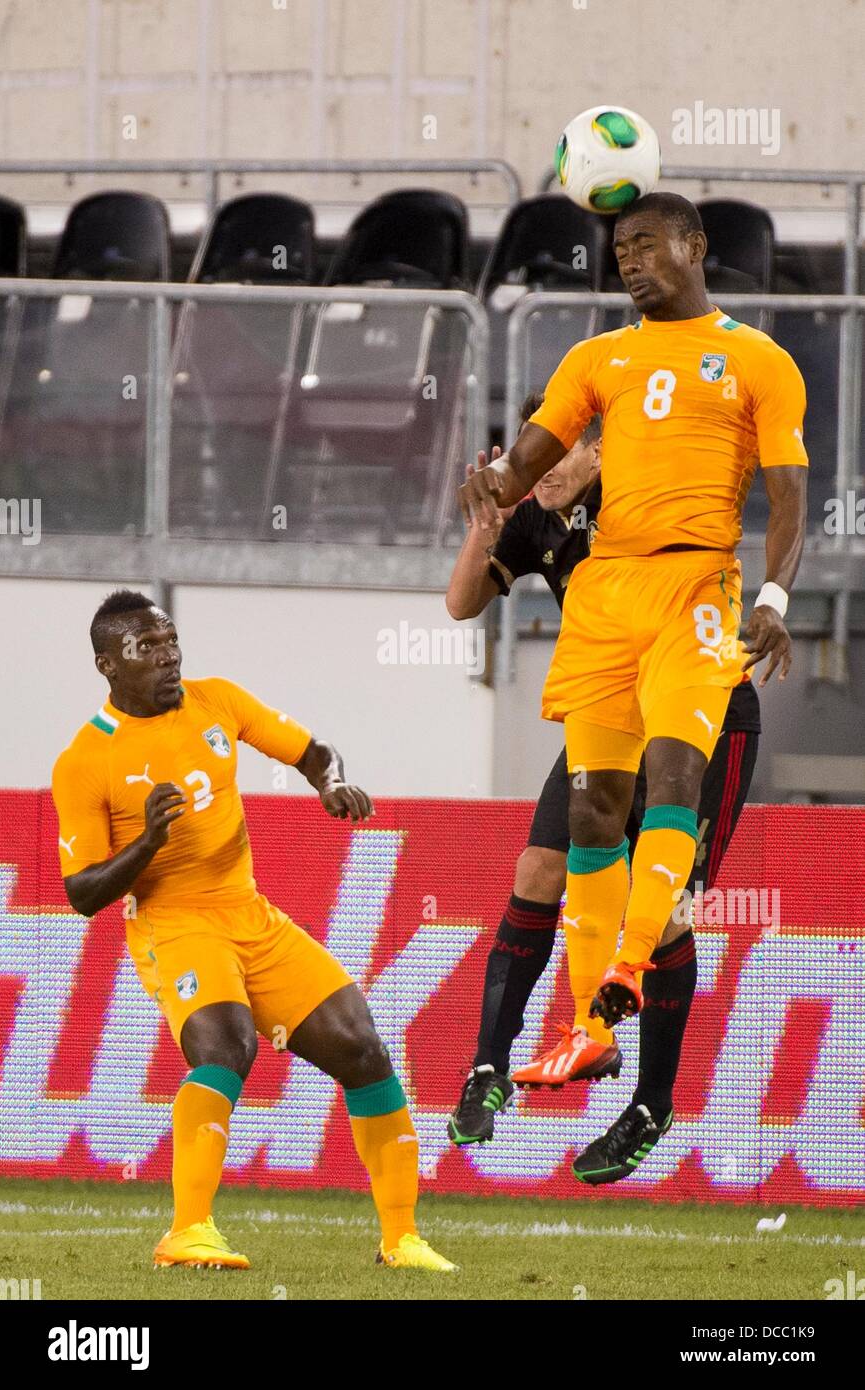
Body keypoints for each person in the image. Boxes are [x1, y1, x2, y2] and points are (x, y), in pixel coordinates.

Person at [457, 192, 807, 1183]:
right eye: (620, 250)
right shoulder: (593, 360)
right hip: (605, 596)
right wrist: (491, 486)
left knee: (668, 801)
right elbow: (526, 462)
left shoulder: (756, 359)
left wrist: (776, 592)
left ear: (697, 247)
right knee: (591, 807)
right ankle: (589, 1028)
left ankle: (641, 1059)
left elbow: (786, 492)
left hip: (698, 583)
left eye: (650, 245)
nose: (633, 263)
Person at [51, 590, 456, 1273]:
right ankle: (187, 1231)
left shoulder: (218, 700)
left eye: (170, 639)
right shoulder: (86, 759)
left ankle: (401, 1239)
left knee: (361, 1047)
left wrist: (330, 784)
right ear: (106, 666)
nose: (168, 654)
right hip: (174, 925)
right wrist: (148, 841)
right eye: (146, 648)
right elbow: (83, 893)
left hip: (248, 913)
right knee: (227, 1045)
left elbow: (311, 750)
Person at [446, 395, 760, 1182]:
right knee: (537, 872)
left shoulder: (642, 497)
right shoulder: (533, 516)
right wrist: (486, 518)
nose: (543, 471)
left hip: (704, 713)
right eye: (529, 456)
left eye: (559, 455)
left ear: (599, 451)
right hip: (606, 713)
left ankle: (652, 1104)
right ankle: (489, 1067)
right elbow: (458, 605)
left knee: (664, 916)